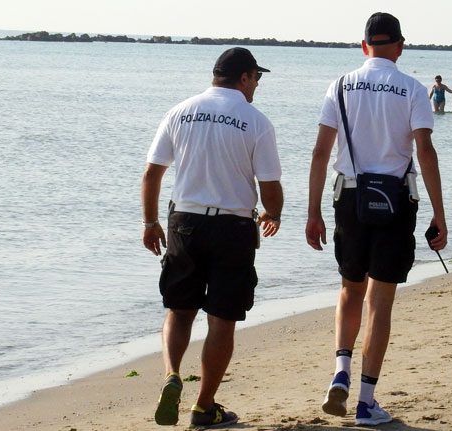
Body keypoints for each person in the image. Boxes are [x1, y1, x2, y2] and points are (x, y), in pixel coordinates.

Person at [305, 12, 448, 426]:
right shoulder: (413, 89)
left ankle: (340, 369)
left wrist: (313, 212)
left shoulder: (341, 85)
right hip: (395, 200)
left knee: (350, 289)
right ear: (400, 46)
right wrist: (439, 213)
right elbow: (426, 152)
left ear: (364, 45)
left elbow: (319, 153)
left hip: (348, 198)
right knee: (380, 301)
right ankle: (367, 402)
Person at [141, 47, 283, 428]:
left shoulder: (180, 111)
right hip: (232, 227)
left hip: (184, 221)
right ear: (244, 77)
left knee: (178, 308)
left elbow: (152, 174)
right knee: (222, 318)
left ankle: (172, 373)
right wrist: (274, 213)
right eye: (257, 77)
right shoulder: (255, 121)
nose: (257, 85)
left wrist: (150, 222)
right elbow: (269, 184)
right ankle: (204, 406)